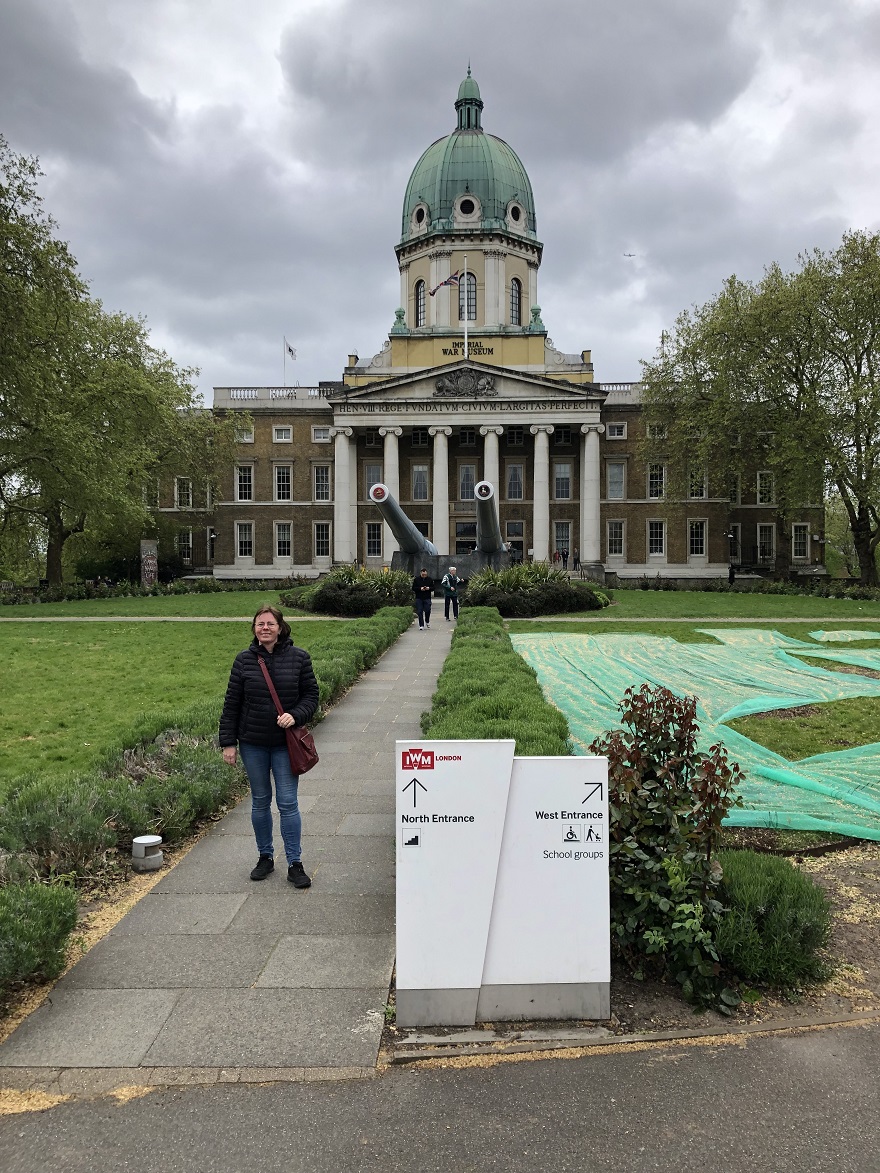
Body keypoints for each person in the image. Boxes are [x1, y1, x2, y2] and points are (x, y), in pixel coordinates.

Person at [219, 605, 319, 887]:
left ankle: (295, 863)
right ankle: (265, 856)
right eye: (260, 624)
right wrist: (228, 742)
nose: (265, 628)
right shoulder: (244, 661)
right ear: (254, 628)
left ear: (280, 627)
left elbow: (311, 696)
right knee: (261, 801)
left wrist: (295, 715)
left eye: (270, 624)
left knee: (288, 803)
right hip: (253, 744)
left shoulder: (299, 658)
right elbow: (232, 704)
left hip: (285, 746)